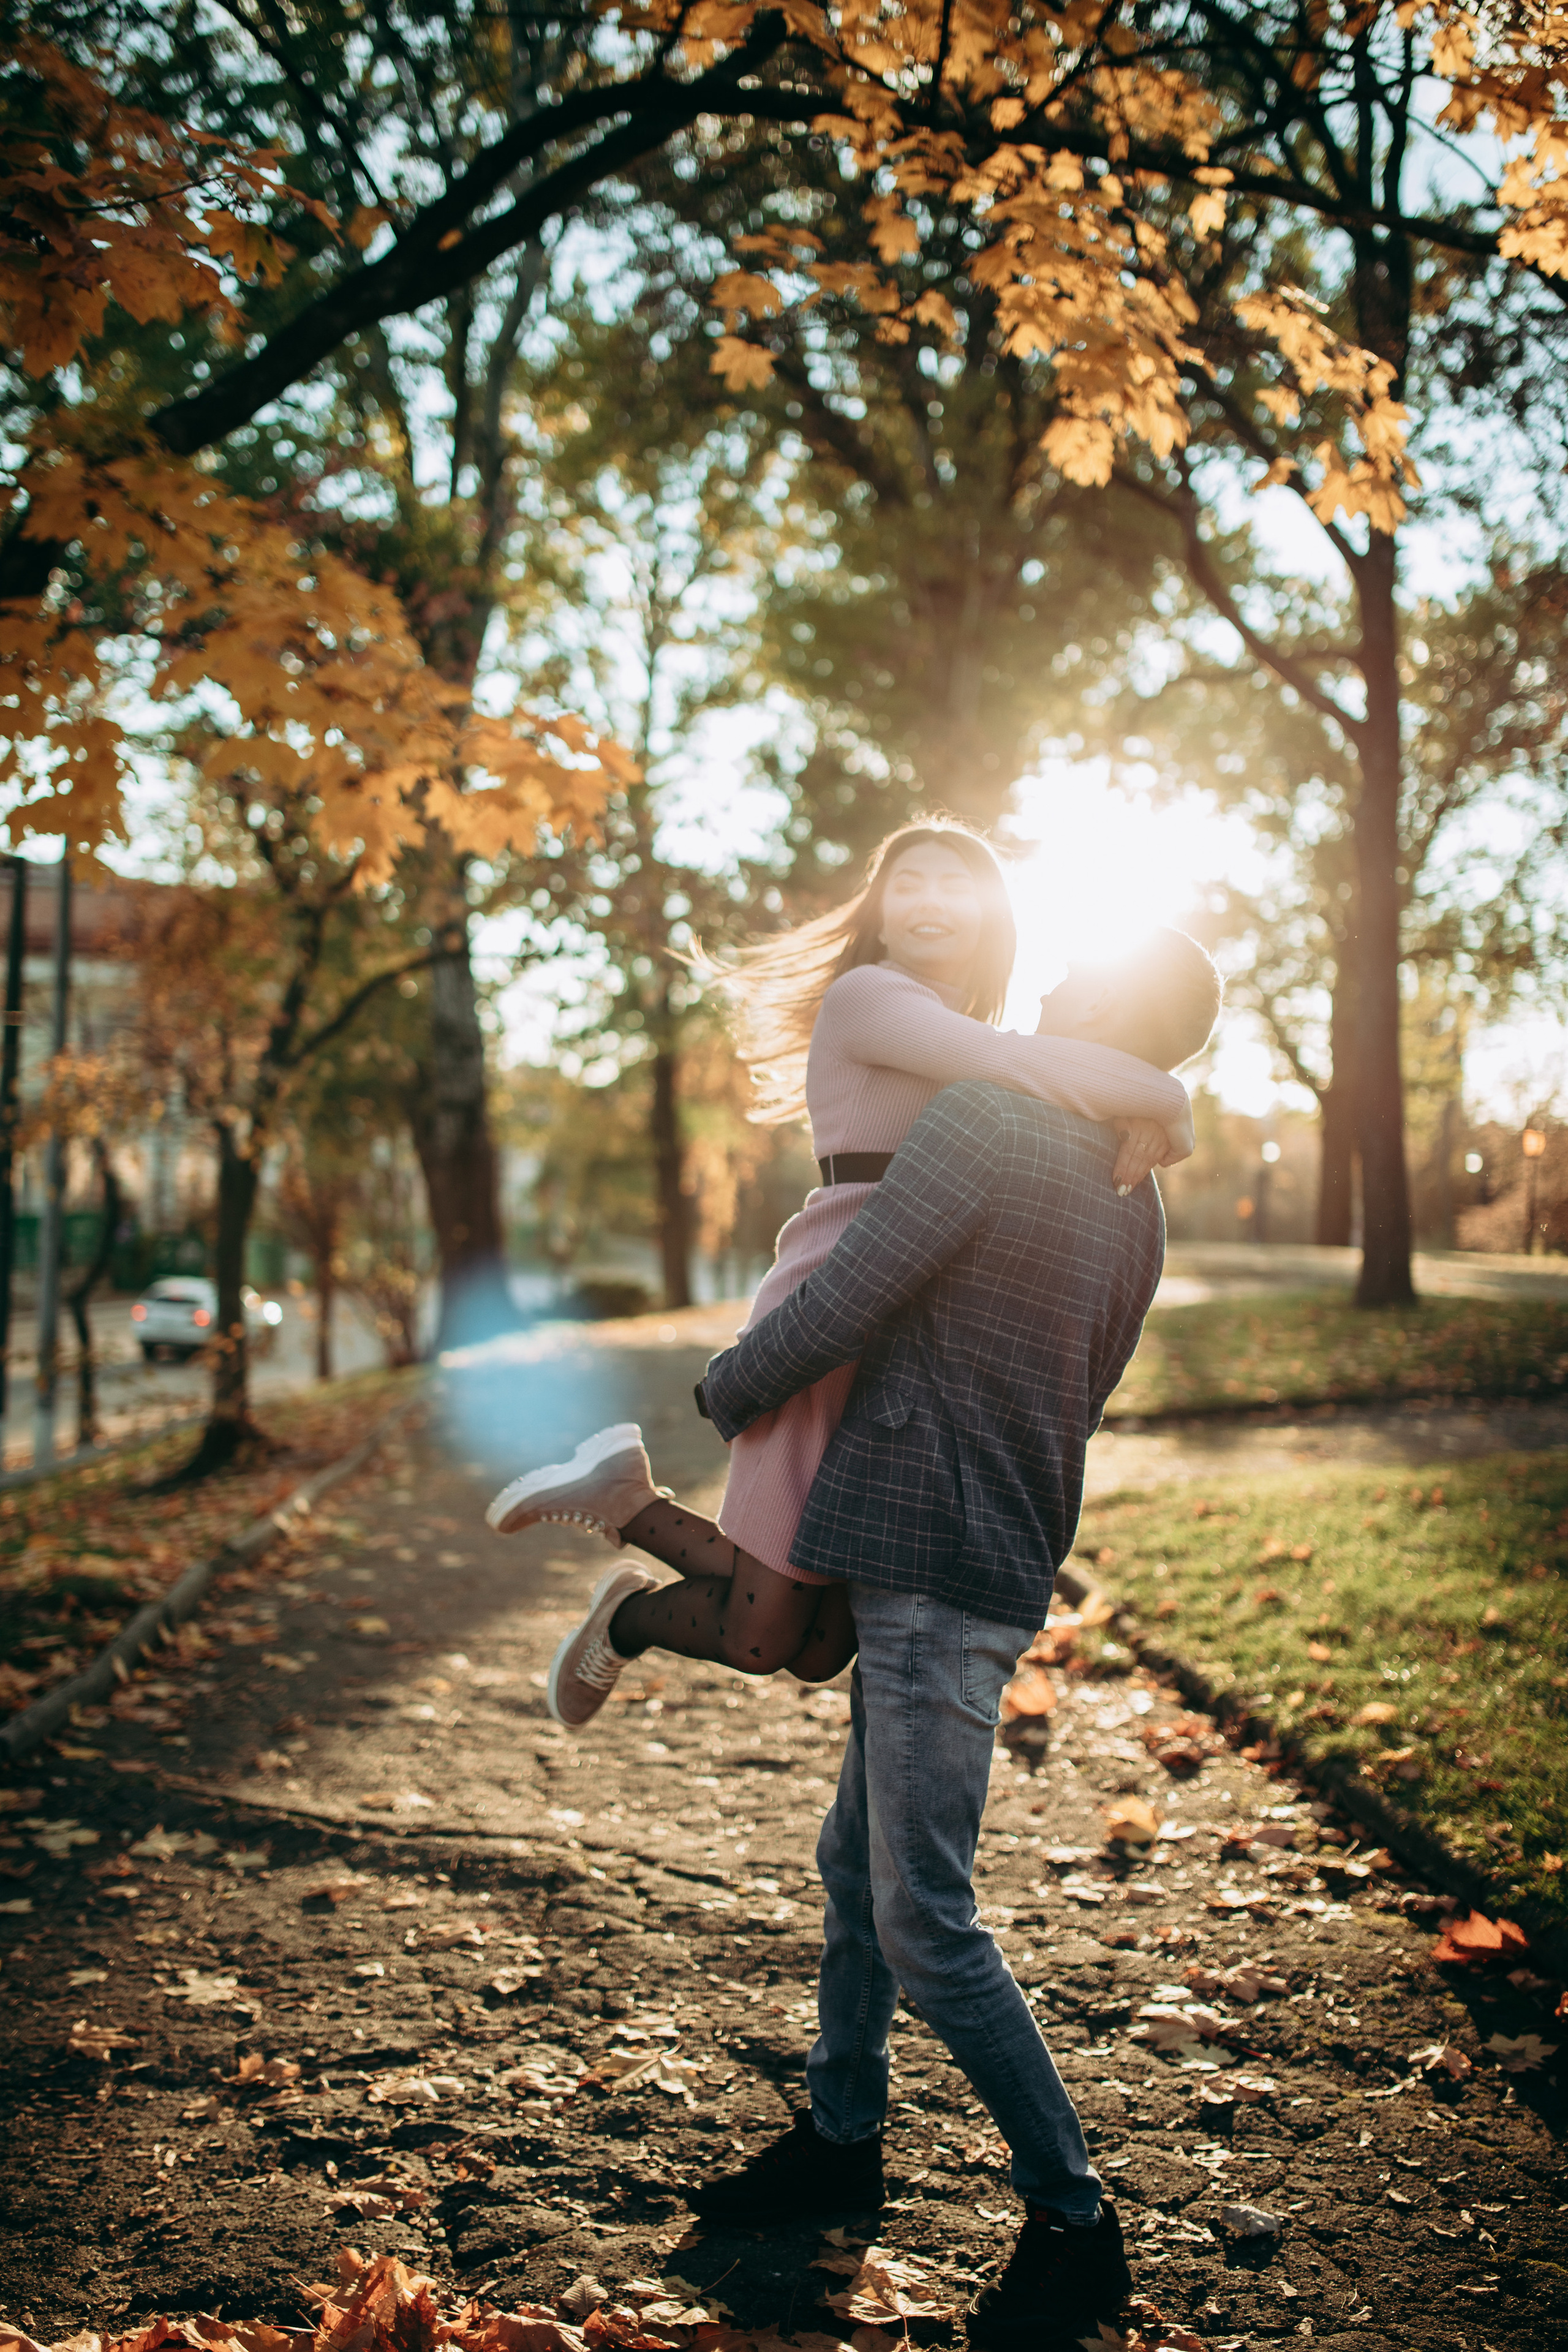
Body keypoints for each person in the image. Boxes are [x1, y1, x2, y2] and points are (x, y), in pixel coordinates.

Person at [674, 931, 1223, 2351]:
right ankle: (839, 2132)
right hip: (1001, 1537)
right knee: (854, 1866)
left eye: (1074, 983)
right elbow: (1088, 1375)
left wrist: (733, 1385)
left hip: (924, 1551)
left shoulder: (989, 1117)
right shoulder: (1136, 1192)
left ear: (1111, 1012)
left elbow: (859, 1294)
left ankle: (1072, 2217)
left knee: (921, 1909)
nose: (1044, 989)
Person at [486, 824, 1195, 1725]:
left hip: (910, 1324)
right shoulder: (872, 997)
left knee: (823, 1641)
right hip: (837, 1290)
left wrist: (1145, 1117)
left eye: (956, 886)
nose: (932, 901)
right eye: (909, 884)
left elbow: (1044, 1075)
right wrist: (1168, 1101)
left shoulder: (958, 1028)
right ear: (880, 914)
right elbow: (1017, 1068)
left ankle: (626, 1496)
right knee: (760, 1633)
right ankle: (626, 1615)